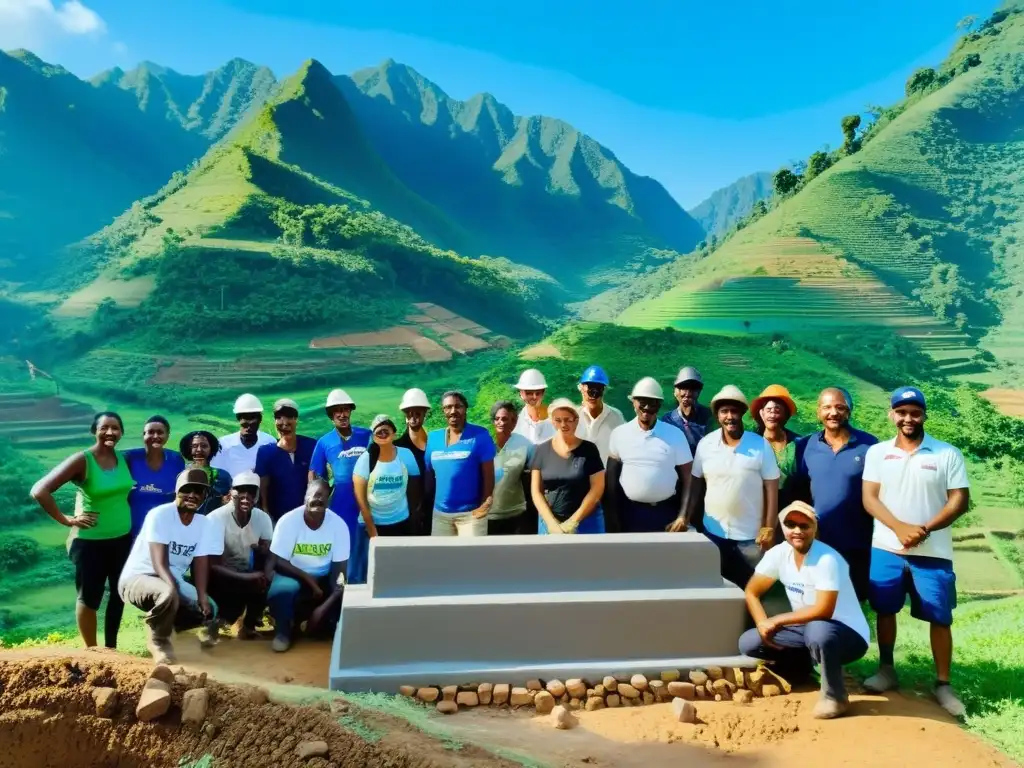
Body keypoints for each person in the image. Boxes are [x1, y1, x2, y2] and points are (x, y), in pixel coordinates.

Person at [861, 386, 970, 717]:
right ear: (892, 415)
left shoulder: (946, 454)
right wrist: (898, 528)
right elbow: (870, 498)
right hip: (886, 547)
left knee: (940, 617)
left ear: (924, 415)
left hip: (933, 550)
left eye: (915, 412)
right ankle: (887, 669)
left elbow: (959, 500)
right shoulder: (878, 453)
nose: (908, 418)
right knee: (885, 609)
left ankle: (943, 684)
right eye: (902, 412)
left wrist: (922, 529)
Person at [740, 501, 870, 720]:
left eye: (804, 525)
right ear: (783, 527)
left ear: (815, 528)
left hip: (848, 634)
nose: (797, 531)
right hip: (807, 628)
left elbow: (824, 610)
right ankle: (801, 671)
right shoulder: (778, 554)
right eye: (791, 524)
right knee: (749, 642)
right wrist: (763, 622)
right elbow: (752, 592)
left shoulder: (827, 559)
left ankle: (835, 696)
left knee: (818, 631)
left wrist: (778, 620)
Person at [31, 412, 135, 650]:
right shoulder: (82, 460)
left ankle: (111, 648)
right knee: (90, 599)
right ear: (94, 431)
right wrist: (67, 520)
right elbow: (40, 490)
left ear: (121, 432)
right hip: (90, 542)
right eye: (104, 428)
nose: (110, 432)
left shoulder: (123, 459)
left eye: (115, 428)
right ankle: (92, 650)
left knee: (119, 595)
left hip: (121, 540)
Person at [670, 385, 779, 589]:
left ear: (742, 413)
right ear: (717, 415)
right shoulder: (706, 444)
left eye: (734, 411)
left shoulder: (760, 446)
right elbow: (694, 484)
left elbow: (771, 488)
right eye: (724, 411)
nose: (729, 416)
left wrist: (769, 527)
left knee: (749, 591)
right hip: (714, 535)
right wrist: (683, 516)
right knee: (715, 589)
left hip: (750, 539)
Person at [118, 468, 222, 664]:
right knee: (168, 593)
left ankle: (168, 627)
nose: (192, 495)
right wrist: (173, 589)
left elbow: (200, 561)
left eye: (199, 491)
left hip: (170, 578)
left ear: (205, 495)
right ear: (177, 492)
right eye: (187, 490)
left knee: (210, 609)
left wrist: (201, 596)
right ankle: (159, 642)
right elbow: (159, 562)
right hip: (139, 577)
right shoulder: (160, 515)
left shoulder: (205, 523)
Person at [792, 388, 878, 600]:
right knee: (818, 604)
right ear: (818, 411)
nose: (833, 412)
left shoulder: (870, 445)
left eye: (840, 407)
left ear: (849, 411)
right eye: (827, 407)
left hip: (857, 543)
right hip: (817, 543)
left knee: (855, 605)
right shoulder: (804, 446)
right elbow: (800, 493)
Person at [267, 479, 350, 652]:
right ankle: (283, 631)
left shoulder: (339, 526)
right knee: (281, 592)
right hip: (292, 574)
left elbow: (340, 575)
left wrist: (323, 607)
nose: (319, 500)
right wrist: (307, 579)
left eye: (324, 497)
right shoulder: (288, 521)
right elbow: (278, 562)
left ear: (329, 501)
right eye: (315, 495)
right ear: (305, 497)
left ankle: (319, 624)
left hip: (324, 577)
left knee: (339, 605)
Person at [606, 377, 693, 533]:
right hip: (629, 513)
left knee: (664, 557)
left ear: (659, 405)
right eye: (642, 401)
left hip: (666, 513)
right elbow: (611, 480)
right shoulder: (619, 434)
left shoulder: (675, 434)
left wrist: (682, 516)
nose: (646, 407)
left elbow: (688, 478)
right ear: (633, 402)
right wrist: (612, 516)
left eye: (652, 402)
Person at [348, 414, 422, 584]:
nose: (382, 434)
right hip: (370, 525)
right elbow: (361, 500)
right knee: (363, 577)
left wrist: (414, 517)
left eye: (386, 430)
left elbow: (414, 486)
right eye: (378, 431)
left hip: (399, 523)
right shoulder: (365, 459)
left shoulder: (405, 455)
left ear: (394, 433)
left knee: (398, 573)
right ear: (373, 436)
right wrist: (373, 532)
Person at [207, 471, 274, 639]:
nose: (246, 496)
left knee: (268, 578)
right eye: (240, 490)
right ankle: (217, 620)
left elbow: (269, 552)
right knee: (232, 598)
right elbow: (211, 564)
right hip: (218, 574)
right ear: (231, 493)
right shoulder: (215, 519)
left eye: (251, 491)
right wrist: (246, 577)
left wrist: (263, 554)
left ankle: (249, 626)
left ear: (258, 494)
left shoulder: (262, 518)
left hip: (247, 570)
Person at [424, 391, 496, 537]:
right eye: (448, 407)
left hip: (471, 515)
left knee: (472, 559)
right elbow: (429, 475)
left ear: (465, 408)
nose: (453, 411)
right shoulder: (433, 438)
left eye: (458, 406)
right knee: (441, 558)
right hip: (440, 515)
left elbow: (488, 475)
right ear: (443, 411)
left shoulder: (480, 435)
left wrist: (484, 505)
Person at [530, 398, 606, 534]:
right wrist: (551, 524)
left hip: (587, 522)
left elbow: (597, 488)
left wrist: (573, 522)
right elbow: (536, 492)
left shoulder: (589, 449)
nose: (563, 424)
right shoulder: (541, 450)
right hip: (549, 522)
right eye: (558, 420)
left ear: (576, 421)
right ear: (552, 422)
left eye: (568, 419)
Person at [309, 388, 372, 548]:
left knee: (368, 544)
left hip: (369, 500)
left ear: (350, 411)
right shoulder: (324, 442)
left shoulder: (367, 435)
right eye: (337, 411)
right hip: (340, 504)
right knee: (343, 545)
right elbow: (314, 476)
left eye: (345, 409)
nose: (342, 414)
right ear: (331, 415)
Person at [255, 398, 316, 523]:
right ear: (274, 421)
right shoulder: (266, 452)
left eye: (289, 417)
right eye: (279, 417)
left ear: (296, 420)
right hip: (277, 519)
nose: (284, 422)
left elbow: (318, 481)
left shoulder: (311, 446)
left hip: (307, 517)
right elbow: (263, 489)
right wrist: (266, 514)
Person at [124, 415, 186, 538]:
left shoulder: (176, 460)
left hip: (163, 533)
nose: (155, 436)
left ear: (167, 436)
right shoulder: (129, 458)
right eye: (150, 432)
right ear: (143, 435)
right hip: (129, 533)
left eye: (160, 432)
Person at [488, 401, 536, 535]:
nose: (501, 422)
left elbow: (534, 477)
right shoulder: (485, 443)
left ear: (514, 422)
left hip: (515, 513)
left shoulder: (525, 445)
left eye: (505, 419)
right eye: (497, 419)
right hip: (486, 514)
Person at [751, 385, 802, 512]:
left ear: (786, 415)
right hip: (756, 509)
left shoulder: (798, 444)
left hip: (789, 510)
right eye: (769, 410)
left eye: (777, 410)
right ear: (761, 413)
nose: (772, 415)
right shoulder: (750, 442)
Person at [394, 388, 432, 535]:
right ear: (405, 414)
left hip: (432, 510)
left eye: (418, 413)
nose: (414, 417)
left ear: (424, 414)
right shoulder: (397, 447)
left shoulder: (434, 443)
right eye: (410, 413)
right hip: (406, 513)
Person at [212, 393, 276, 478]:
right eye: (245, 419)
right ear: (238, 418)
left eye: (252, 419)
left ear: (259, 420)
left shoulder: (269, 442)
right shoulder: (223, 444)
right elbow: (217, 473)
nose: (249, 426)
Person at [575, 365, 625, 462]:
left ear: (604, 390)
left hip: (607, 475)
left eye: (598, 390)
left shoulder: (616, 417)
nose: (593, 396)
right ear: (581, 389)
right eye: (590, 390)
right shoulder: (573, 416)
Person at [661, 366, 714, 457]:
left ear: (699, 392)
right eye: (683, 387)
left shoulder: (709, 416)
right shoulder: (668, 420)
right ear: (675, 391)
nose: (688, 393)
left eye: (693, 388)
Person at [179, 430, 232, 515]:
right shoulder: (180, 474)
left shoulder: (222, 476)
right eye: (194, 446)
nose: (199, 450)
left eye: (204, 446)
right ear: (188, 449)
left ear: (212, 448)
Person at [512, 368, 556, 444]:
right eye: (529, 393)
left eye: (538, 393)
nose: (534, 397)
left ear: (543, 393)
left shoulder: (553, 415)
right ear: (521, 393)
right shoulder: (518, 421)